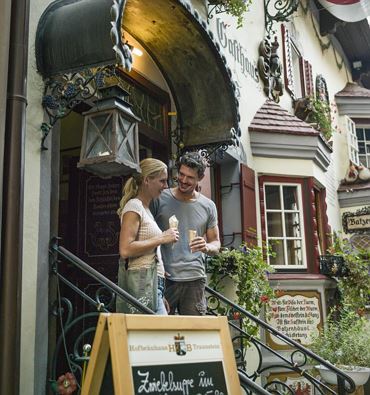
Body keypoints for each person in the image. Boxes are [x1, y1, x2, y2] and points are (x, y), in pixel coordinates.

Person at [152, 152, 221, 315]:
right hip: (165, 278)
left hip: (194, 279)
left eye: (189, 177)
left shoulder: (208, 206)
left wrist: (206, 247)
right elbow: (147, 234)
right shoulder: (160, 198)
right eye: (181, 174)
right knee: (162, 334)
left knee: (194, 335)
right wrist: (155, 265)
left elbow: (216, 243)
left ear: (200, 177)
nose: (183, 180)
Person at [116, 158, 179, 314]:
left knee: (153, 336)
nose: (165, 186)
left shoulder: (146, 209)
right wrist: (161, 238)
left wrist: (160, 293)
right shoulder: (134, 206)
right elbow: (125, 249)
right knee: (161, 336)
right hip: (143, 280)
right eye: (162, 181)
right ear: (146, 180)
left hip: (152, 283)